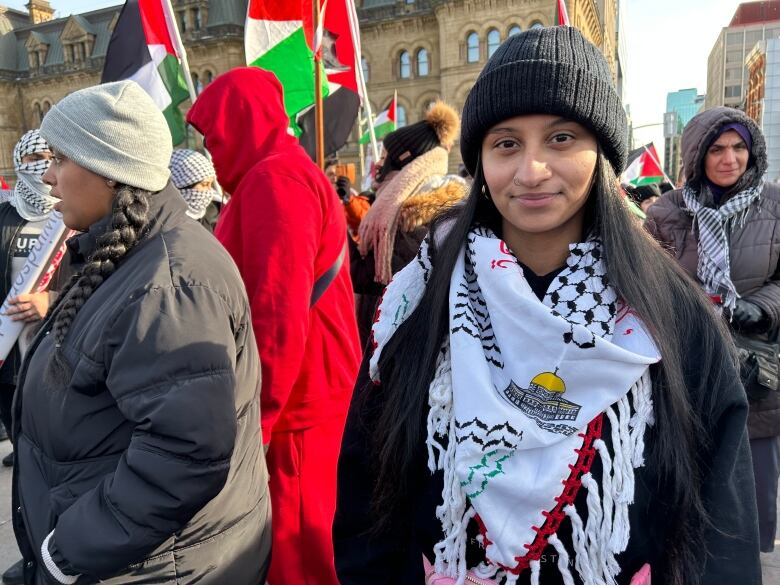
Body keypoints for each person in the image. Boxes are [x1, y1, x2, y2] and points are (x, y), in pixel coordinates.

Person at [334, 26, 760, 585]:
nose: (531, 170)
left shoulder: (668, 316)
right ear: (481, 159)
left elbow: (720, 527)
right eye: (506, 143)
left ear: (601, 153)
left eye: (560, 139)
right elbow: (369, 496)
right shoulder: (422, 302)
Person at [10, 80, 271, 585]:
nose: (48, 178)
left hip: (157, 565)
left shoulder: (168, 285)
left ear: (110, 172)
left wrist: (67, 553)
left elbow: (185, 453)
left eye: (61, 159)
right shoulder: (123, 252)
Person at [186, 68, 361, 585]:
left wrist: (256, 422)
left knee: (300, 558)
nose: (211, 151)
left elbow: (275, 315)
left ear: (241, 122)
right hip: (306, 397)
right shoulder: (281, 172)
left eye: (214, 134)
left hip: (297, 407)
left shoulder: (275, 179)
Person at [645, 106, 780, 557]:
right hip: (688, 358)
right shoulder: (667, 211)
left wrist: (757, 308)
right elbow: (650, 279)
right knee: (691, 466)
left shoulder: (775, 204)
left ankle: (743, 560)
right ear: (697, 154)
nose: (730, 159)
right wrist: (687, 309)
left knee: (752, 475)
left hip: (752, 361)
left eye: (739, 147)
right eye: (717, 149)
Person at [350, 100, 467, 346]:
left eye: (385, 157)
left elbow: (374, 279)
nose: (379, 164)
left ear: (404, 162)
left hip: (403, 345)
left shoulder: (410, 217)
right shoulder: (397, 209)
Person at [168, 148, 222, 232]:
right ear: (181, 184)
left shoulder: (217, 211)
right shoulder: (165, 223)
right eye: (204, 184)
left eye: (211, 184)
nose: (209, 191)